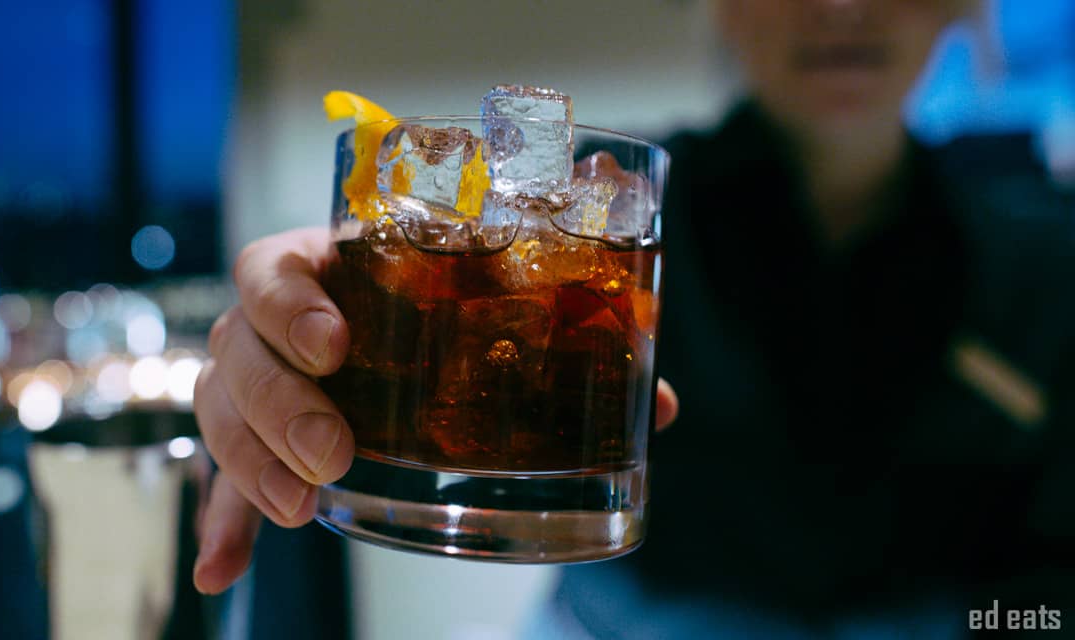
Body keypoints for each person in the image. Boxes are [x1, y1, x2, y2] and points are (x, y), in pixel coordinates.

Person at [192, 0, 1075, 637]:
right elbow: (463, 290)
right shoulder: (613, 213)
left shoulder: (1044, 263)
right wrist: (349, 317)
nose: (840, 8)